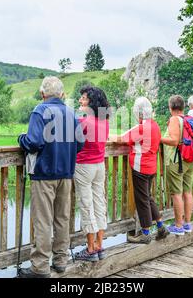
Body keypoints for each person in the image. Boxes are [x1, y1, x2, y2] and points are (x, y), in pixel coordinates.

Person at [17, 76, 84, 278]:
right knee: (62, 219)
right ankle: (61, 261)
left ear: (42, 94)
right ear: (62, 94)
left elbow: (34, 142)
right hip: (66, 173)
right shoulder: (71, 113)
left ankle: (39, 267)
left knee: (43, 220)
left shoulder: (40, 111)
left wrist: (21, 139)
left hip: (44, 174)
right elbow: (80, 143)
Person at [110, 97, 169, 244]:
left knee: (142, 200)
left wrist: (104, 135)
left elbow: (120, 138)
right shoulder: (155, 126)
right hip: (151, 167)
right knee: (148, 197)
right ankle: (161, 227)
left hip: (140, 168)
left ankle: (145, 234)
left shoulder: (142, 127)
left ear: (139, 113)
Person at [73, 86, 110, 261]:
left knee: (86, 204)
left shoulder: (84, 122)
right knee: (99, 203)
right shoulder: (104, 121)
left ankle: (90, 249)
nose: (80, 100)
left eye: (84, 98)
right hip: (99, 165)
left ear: (92, 102)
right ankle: (99, 245)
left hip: (83, 166)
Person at [161, 95, 193, 235]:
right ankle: (187, 224)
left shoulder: (175, 119)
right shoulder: (187, 119)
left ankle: (178, 226)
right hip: (189, 159)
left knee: (176, 194)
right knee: (187, 192)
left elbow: (174, 141)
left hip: (176, 161)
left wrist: (159, 138)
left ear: (170, 107)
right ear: (183, 107)